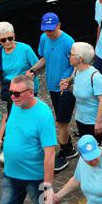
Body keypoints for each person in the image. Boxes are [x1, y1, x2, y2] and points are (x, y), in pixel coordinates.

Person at [0, 75, 56, 204]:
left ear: (30, 92)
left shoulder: (43, 115)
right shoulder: (15, 104)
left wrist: (47, 187)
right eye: (10, 92)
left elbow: (50, 153)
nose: (12, 97)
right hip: (10, 174)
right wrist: (0, 138)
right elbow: (6, 120)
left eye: (16, 93)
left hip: (35, 178)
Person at [27, 13, 77, 174]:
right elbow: (44, 58)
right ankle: (69, 149)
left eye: (51, 29)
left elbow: (77, 64)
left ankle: (62, 154)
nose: (48, 32)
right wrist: (33, 69)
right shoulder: (44, 38)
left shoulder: (69, 42)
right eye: (45, 29)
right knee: (62, 120)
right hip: (52, 86)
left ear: (59, 25)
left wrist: (68, 79)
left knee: (61, 122)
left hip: (66, 87)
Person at [60, 42, 102, 145]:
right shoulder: (76, 72)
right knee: (85, 147)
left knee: (91, 150)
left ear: (80, 58)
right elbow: (77, 90)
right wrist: (67, 86)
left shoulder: (95, 76)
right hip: (81, 118)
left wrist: (98, 122)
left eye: (71, 54)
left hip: (95, 120)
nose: (69, 56)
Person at [0, 21, 40, 117]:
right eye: (3, 40)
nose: (7, 41)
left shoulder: (25, 49)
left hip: (26, 87)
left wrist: (32, 72)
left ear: (14, 36)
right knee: (14, 114)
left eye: (10, 38)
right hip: (11, 88)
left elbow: (38, 66)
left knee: (26, 115)